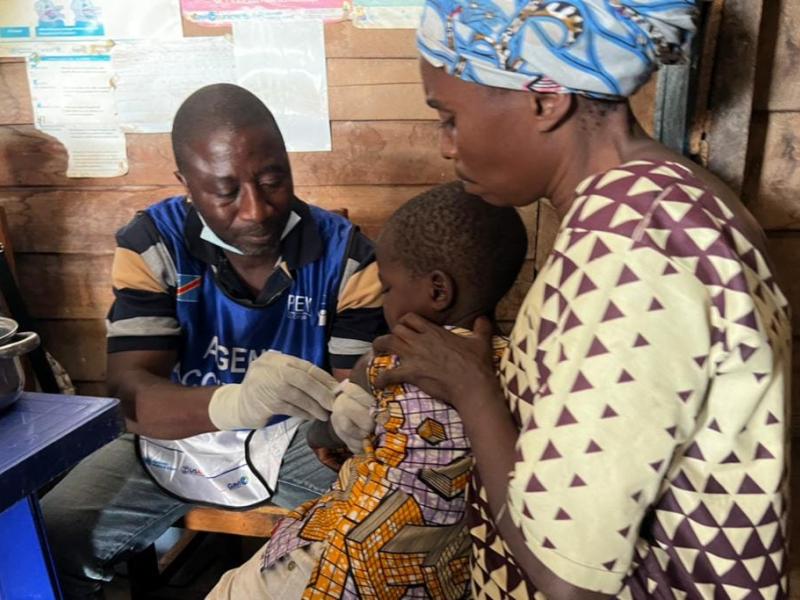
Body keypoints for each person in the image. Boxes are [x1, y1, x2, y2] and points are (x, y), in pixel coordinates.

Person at [372, 1, 792, 599]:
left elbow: (567, 577)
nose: (446, 146)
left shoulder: (629, 250)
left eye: (450, 117)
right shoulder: (657, 201)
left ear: (545, 99)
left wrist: (473, 389)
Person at [41, 83, 385, 599]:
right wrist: (236, 402)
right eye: (225, 192)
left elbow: (345, 405)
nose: (256, 210)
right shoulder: (153, 245)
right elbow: (131, 396)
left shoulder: (347, 256)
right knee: (48, 536)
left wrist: (353, 407)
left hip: (297, 443)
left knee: (381, 529)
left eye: (273, 180)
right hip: (173, 433)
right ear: (186, 184)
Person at [206, 181, 529, 598]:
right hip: (436, 576)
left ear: (437, 290)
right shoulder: (515, 365)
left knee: (230, 590)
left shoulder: (393, 360)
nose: (384, 302)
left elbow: (328, 431)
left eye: (389, 287)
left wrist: (324, 434)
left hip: (340, 563)